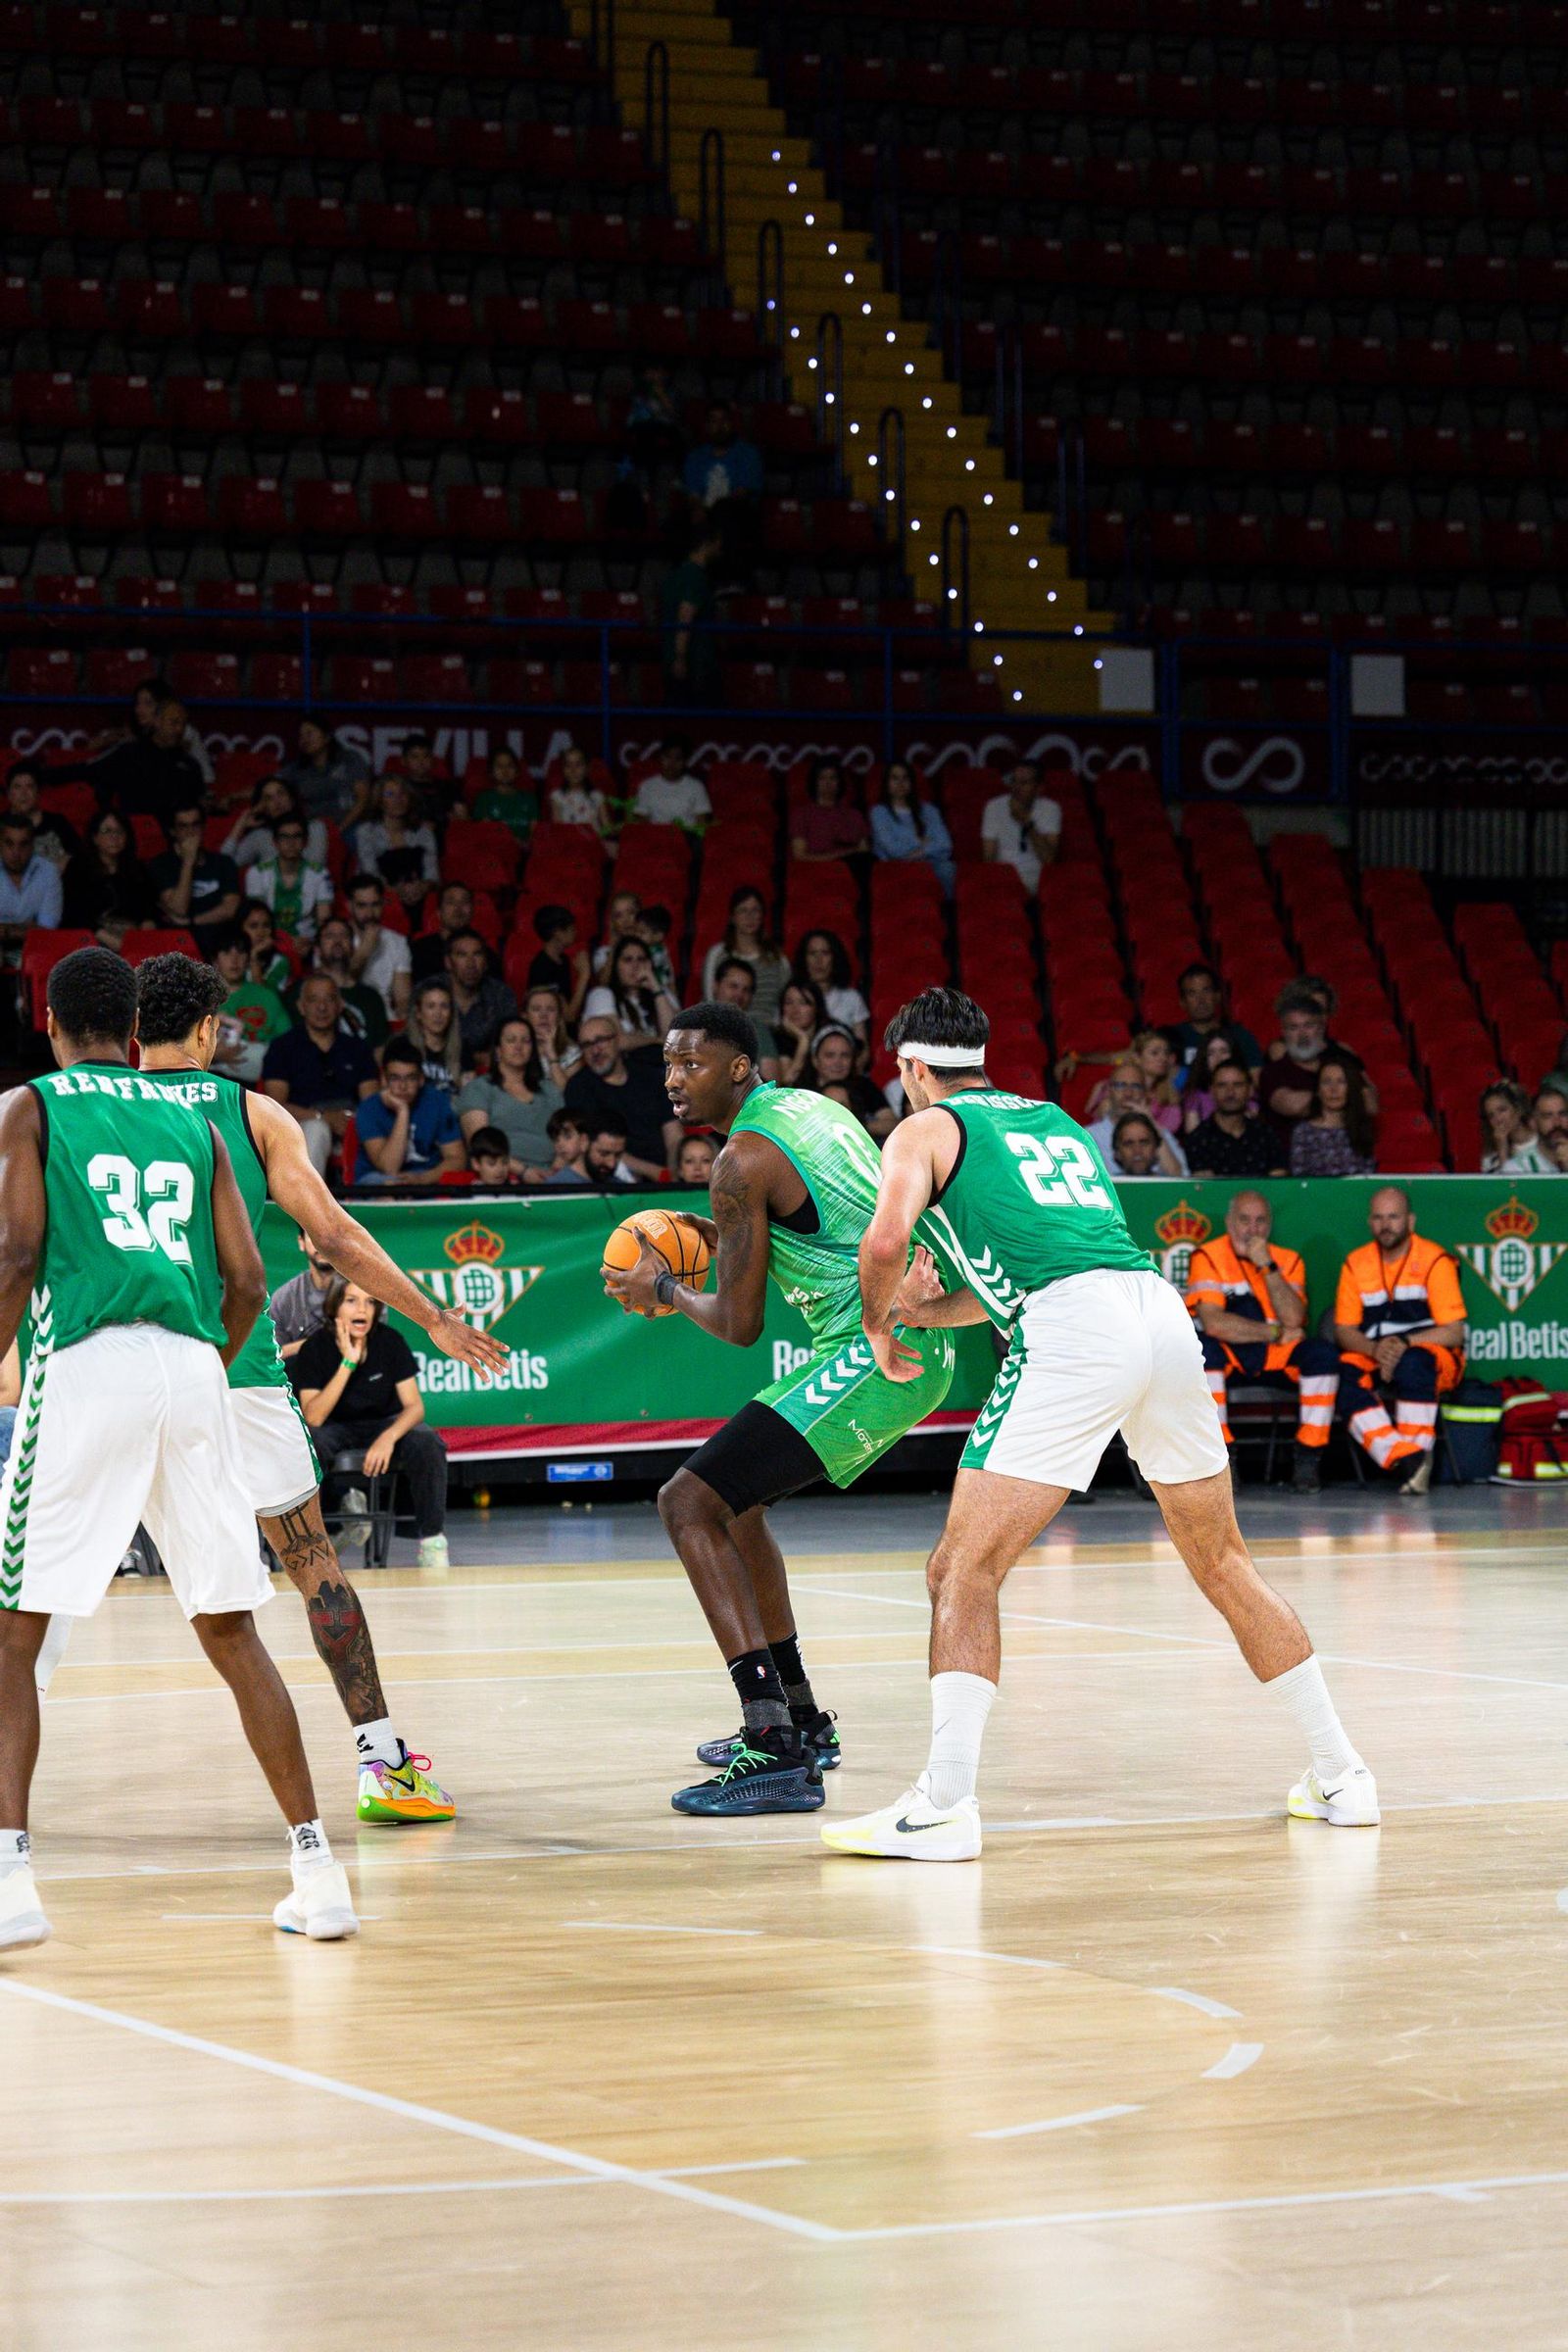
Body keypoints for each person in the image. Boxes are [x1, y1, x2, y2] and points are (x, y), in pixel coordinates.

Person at [821, 984, 1376, 1862]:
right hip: (1154, 1314)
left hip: (1073, 1331)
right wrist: (930, 1314)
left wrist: (882, 1325)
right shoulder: (1047, 1120)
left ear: (911, 1068)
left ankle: (942, 1805)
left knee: (958, 1569)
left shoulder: (922, 1128)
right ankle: (1344, 1775)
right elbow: (1046, 1272)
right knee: (1223, 1561)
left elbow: (885, 1245)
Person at [0, 945, 357, 1951]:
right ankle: (316, 1870)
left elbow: (18, 1253)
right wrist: (206, 1362)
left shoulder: (30, 1104)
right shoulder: (199, 1120)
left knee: (14, 1635)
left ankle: (9, 1881)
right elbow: (247, 1279)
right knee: (231, 1627)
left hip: (86, 1366)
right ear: (132, 1029)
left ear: (52, 1019)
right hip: (197, 1368)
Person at [136, 952, 508, 1795]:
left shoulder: (90, 1110)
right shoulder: (252, 1111)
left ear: (132, 1034)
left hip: (125, 1370)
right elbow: (335, 1238)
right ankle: (385, 1767)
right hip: (240, 1369)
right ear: (207, 1030)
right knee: (314, 1567)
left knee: (40, 1590)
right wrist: (433, 1316)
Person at [602, 1003, 956, 1816]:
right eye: (666, 1064)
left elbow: (738, 1323)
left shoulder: (740, 1160)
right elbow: (817, 1222)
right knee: (736, 1508)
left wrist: (663, 1288)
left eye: (690, 1063)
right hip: (898, 1335)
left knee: (687, 1503)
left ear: (735, 1066)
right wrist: (713, 1229)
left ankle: (772, 1749)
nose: (673, 1080)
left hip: (881, 1351)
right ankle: (799, 1717)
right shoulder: (804, 1109)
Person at [1185, 1191, 1344, 1496]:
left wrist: (1267, 1267)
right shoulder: (1208, 1256)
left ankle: (1308, 1456)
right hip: (1231, 1355)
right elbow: (1216, 1323)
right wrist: (1273, 1333)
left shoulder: (1288, 1260)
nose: (1252, 1229)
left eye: (1260, 1221)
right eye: (1244, 1220)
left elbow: (1295, 1319)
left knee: (1322, 1355)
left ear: (1269, 1226)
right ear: (1230, 1223)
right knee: (1203, 1352)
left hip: (1277, 1359)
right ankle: (1223, 1457)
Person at [293, 1282, 452, 1571]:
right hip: (334, 1426)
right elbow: (313, 1417)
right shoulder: (315, 1348)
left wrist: (388, 1438)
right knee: (308, 1442)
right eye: (352, 1301)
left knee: (427, 1443)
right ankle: (326, 1528)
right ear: (334, 1308)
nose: (362, 1309)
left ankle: (432, 1541)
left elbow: (415, 1407)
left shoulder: (390, 1341)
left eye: (369, 1302)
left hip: (383, 1424)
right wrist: (348, 1364)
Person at [1331, 1186, 1468, 1495]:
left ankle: (1416, 1461)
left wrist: (1404, 1343)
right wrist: (1377, 1350)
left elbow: (1453, 1331)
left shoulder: (1436, 1259)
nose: (1386, 1225)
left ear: (1411, 1220)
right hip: (1377, 1353)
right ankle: (1407, 1459)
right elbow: (1344, 1330)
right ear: (1370, 1223)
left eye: (1393, 1217)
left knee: (1413, 1363)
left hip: (1432, 1356)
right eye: (1379, 1218)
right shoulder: (1356, 1262)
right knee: (1339, 1374)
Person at [262, 972, 378, 1176]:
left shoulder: (358, 1048)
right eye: (313, 999)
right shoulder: (282, 1048)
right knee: (317, 1129)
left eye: (329, 999)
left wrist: (350, 1122)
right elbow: (274, 1106)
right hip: (303, 1129)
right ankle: (310, 1206)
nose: (322, 1007)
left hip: (350, 1127)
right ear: (301, 1006)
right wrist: (323, 1118)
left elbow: (372, 1102)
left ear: (340, 1005)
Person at [1258, 980, 1375, 1148]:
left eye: (1310, 1023)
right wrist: (1342, 1095)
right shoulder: (1276, 1065)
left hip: (1343, 1154)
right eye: (1294, 1027)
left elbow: (1371, 1103)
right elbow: (1291, 1104)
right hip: (1291, 1160)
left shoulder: (1341, 1055)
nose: (1302, 1034)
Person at [564, 1015, 683, 1178]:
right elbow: (597, 1147)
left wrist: (675, 1176)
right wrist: (659, 1174)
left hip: (665, 1173)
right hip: (614, 1177)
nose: (595, 1050)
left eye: (601, 1040)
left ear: (618, 1041)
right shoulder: (578, 1087)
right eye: (587, 1045)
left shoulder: (650, 1077)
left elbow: (674, 1137)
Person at [354, 1040, 465, 1188]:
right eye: (395, 1078)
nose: (403, 1086)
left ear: (421, 1080)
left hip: (426, 1179)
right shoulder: (369, 1109)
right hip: (377, 1181)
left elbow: (457, 1159)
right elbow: (389, 1168)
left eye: (410, 1078)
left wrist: (424, 1179)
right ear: (384, 1080)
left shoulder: (438, 1102)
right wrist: (403, 1111)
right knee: (391, 1188)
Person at [457, 1016, 564, 1168]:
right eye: (511, 1040)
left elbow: (569, 1135)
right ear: (498, 1050)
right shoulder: (478, 1088)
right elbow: (481, 1145)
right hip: (502, 1177)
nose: (518, 1046)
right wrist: (524, 1172)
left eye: (525, 1041)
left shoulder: (549, 1089)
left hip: (553, 1177)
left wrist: (556, 1172)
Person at [149, 803, 241, 945]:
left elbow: (230, 909)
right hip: (179, 943)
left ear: (203, 827)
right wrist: (188, 861)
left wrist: (190, 921)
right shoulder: (160, 865)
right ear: (173, 831)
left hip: (221, 942)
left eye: (195, 825)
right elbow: (179, 909)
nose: (190, 831)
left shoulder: (224, 863)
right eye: (183, 826)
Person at [209, 927, 291, 1084]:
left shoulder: (266, 997)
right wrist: (213, 1055)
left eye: (241, 953)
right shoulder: (201, 999)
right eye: (227, 953)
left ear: (248, 958)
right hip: (211, 1079)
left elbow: (287, 1043)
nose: (235, 960)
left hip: (258, 1082)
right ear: (214, 960)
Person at [1186, 1059, 1289, 1179]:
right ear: (1212, 1092)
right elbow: (1204, 1190)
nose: (1230, 1093)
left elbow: (1278, 1182)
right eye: (1222, 1085)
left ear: (1250, 1090)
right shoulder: (1198, 1139)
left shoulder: (1266, 1135)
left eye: (1238, 1085)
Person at [700, 886, 790, 1023]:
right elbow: (709, 998)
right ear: (732, 917)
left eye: (755, 910)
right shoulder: (717, 954)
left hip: (767, 1031)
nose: (750, 917)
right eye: (743, 910)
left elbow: (785, 1002)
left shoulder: (777, 958)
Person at [242, 810, 334, 943]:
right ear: (275, 842)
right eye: (284, 837)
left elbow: (323, 921)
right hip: (269, 942)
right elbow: (258, 921)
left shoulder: (320, 874)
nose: (291, 843)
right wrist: (285, 942)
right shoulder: (256, 873)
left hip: (307, 943)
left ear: (305, 841)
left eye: (297, 836)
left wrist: (311, 944)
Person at [1165, 962, 1263, 1084]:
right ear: (1182, 1002)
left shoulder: (1241, 1036)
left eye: (1206, 991)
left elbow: (1255, 1081)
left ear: (1217, 996)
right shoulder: (1171, 1039)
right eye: (1192, 993)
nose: (1201, 1000)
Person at [301, 915, 390, 1048]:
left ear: (353, 947)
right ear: (317, 949)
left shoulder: (371, 998)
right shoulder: (301, 992)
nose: (337, 940)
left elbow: (380, 1049)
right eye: (330, 936)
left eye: (344, 936)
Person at [61, 806, 155, 931]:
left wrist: (147, 925)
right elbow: (74, 914)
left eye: (120, 831)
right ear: (95, 838)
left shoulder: (138, 869)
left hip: (133, 938)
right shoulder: (78, 868)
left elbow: (149, 910)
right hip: (91, 940)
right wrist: (112, 941)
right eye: (107, 831)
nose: (114, 837)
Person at [869, 759, 955, 896]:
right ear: (887, 783)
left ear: (912, 783)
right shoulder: (879, 812)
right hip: (894, 868)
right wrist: (922, 841)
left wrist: (917, 853)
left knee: (948, 868)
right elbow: (893, 850)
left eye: (905, 778)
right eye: (895, 778)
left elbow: (946, 845)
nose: (900, 783)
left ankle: (945, 912)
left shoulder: (929, 810)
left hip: (930, 865)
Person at [1086, 1063, 1188, 1174]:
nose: (1128, 1094)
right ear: (1109, 1091)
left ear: (1146, 1094)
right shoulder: (1087, 1136)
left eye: (1136, 1086)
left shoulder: (1160, 1132)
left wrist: (1151, 1124)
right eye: (1120, 1085)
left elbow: (1182, 1176)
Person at [661, 521, 722, 703]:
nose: (720, 546)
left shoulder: (676, 575)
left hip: (677, 661)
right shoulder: (695, 577)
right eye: (718, 541)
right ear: (706, 543)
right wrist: (680, 657)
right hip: (694, 666)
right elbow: (685, 616)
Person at [981, 760, 1061, 891]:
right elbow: (988, 858)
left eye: (1024, 783)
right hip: (1004, 875)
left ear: (1039, 788)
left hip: (1037, 877)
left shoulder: (1051, 808)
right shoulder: (994, 806)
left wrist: (1027, 823)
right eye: (1014, 781)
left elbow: (1049, 859)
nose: (1016, 788)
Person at [1291, 1055, 1377, 1176]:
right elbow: (1300, 1179)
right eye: (1327, 1082)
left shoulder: (1361, 1127)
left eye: (1341, 1082)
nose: (1333, 1089)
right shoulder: (1303, 1132)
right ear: (1318, 1090)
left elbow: (1368, 1174)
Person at [345, 872, 414, 1024]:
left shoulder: (397, 942)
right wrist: (364, 952)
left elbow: (402, 998)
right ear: (349, 906)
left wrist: (404, 1017)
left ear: (383, 904)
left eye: (375, 905)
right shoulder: (334, 938)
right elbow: (340, 988)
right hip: (345, 1015)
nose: (370, 914)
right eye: (362, 906)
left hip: (384, 1018)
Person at [584, 935, 678, 1045]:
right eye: (628, 960)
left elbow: (675, 1037)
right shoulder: (601, 995)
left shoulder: (662, 993)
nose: (636, 966)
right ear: (616, 965)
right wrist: (656, 1040)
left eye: (641, 959)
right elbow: (615, 1041)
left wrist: (656, 988)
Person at [221, 774, 328, 871]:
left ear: (291, 798)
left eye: (281, 793)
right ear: (263, 808)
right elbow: (222, 867)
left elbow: (316, 867)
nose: (277, 801)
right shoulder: (259, 836)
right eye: (269, 798)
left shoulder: (315, 827)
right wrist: (240, 824)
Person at [281, 714, 371, 827]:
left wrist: (340, 830)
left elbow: (362, 798)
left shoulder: (350, 759)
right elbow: (271, 785)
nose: (304, 739)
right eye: (301, 736)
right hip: (313, 830)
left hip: (350, 827)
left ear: (327, 736)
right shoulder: (295, 769)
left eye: (309, 733)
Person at [445, 929, 517, 1064]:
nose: (471, 964)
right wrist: (475, 1058)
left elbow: (511, 1045)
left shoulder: (501, 994)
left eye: (477, 954)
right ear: (448, 962)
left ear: (485, 963)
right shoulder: (429, 992)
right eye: (462, 955)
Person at [809, 1024, 895, 1139]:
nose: (837, 1062)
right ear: (815, 1060)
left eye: (845, 1055)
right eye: (830, 1055)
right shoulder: (803, 1091)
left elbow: (891, 1123)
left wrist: (852, 1127)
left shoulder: (865, 1086)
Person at [351, 775, 438, 883]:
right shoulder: (366, 831)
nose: (398, 799)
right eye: (390, 794)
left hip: (416, 891)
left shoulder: (424, 832)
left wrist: (423, 887)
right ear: (379, 800)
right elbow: (370, 873)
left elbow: (432, 875)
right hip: (377, 893)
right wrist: (396, 891)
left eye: (403, 793)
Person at [268, 1229, 336, 1360]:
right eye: (314, 1236)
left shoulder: (365, 1294)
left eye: (330, 1236)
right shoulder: (283, 1299)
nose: (322, 1244)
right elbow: (274, 1355)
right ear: (301, 1242)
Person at [710, 956, 780, 1079]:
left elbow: (771, 1086)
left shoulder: (758, 1031)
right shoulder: (694, 1024)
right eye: (733, 986)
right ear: (716, 986)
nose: (739, 995)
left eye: (746, 990)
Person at [793, 928, 869, 1040]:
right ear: (804, 959)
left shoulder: (852, 998)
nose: (818, 960)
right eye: (812, 953)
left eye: (825, 953)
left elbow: (863, 1051)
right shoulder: (791, 999)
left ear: (835, 958)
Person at [0, 815, 64, 949]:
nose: (16, 852)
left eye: (23, 844)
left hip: (35, 948)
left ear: (32, 845)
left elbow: (47, 930)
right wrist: (28, 927)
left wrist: (5, 930)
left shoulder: (48, 871)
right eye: (9, 843)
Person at [790, 759, 868, 865]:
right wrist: (841, 855)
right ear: (814, 782)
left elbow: (863, 850)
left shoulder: (854, 815)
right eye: (822, 778)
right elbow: (799, 856)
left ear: (839, 782)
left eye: (833, 778)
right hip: (816, 870)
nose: (828, 783)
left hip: (852, 869)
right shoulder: (801, 814)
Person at [4, 763, 77, 870]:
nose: (24, 793)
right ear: (9, 794)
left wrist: (65, 861)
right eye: (17, 787)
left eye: (29, 786)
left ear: (38, 792)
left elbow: (77, 851)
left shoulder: (58, 822)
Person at [527, 905, 592, 1023]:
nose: (576, 932)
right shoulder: (542, 968)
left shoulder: (563, 959)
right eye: (572, 929)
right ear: (558, 933)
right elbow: (568, 1017)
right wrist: (584, 975)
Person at [405, 975, 465, 1095]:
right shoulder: (403, 1046)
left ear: (451, 1013)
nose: (438, 1014)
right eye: (431, 1006)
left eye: (444, 1006)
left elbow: (469, 1095)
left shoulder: (463, 1047)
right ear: (418, 1013)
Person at [412, 881, 479, 984]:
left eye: (464, 902)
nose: (458, 908)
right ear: (439, 912)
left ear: (472, 911)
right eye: (450, 902)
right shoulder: (419, 951)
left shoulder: (482, 952)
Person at [634, 739, 710, 828]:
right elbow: (641, 822)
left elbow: (702, 823)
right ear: (661, 758)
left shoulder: (696, 787)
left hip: (688, 838)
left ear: (685, 762)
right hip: (655, 838)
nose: (672, 763)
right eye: (668, 757)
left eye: (678, 759)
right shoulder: (646, 786)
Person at [471, 744, 538, 840]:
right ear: (491, 772)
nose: (505, 771)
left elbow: (535, 835)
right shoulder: (484, 799)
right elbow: (486, 834)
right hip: (495, 852)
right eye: (499, 766)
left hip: (525, 852)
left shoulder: (529, 798)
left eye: (510, 766)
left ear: (517, 771)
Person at [773, 977, 829, 1087]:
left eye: (803, 1003)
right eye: (789, 1002)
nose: (795, 1010)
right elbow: (787, 1081)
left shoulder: (829, 1035)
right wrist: (803, 1040)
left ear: (817, 1007)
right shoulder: (776, 1037)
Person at [525, 982, 581, 1090]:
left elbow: (567, 1096)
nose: (543, 1015)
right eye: (536, 1009)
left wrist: (550, 1053)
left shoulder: (572, 1054)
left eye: (550, 1009)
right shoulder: (515, 1049)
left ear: (559, 1017)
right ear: (526, 1016)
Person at [1480, 1080, 1544, 1173]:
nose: (1498, 1119)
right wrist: (1502, 1151)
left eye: (1502, 1110)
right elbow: (1504, 1186)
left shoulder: (1545, 1142)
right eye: (1491, 1115)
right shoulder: (1490, 1159)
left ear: (1518, 1109)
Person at [548, 745, 612, 835]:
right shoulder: (557, 796)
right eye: (568, 765)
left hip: (593, 845)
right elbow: (558, 830)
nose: (573, 770)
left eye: (578, 765)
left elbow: (607, 829)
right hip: (568, 845)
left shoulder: (597, 796)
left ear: (587, 768)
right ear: (563, 769)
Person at [539, 1107, 592, 1185]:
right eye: (556, 1140)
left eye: (567, 1137)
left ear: (584, 1139)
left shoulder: (603, 1178)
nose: (560, 1144)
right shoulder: (556, 1183)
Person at [1104, 1111, 1167, 1175]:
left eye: (1144, 1143)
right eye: (1129, 1144)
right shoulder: (1107, 1184)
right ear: (1117, 1153)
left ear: (1156, 1149)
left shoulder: (1170, 1184)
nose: (1137, 1151)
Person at [586, 1115, 637, 1185]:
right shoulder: (567, 1188)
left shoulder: (621, 1187)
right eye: (604, 1154)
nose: (611, 1164)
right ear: (584, 1143)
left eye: (618, 1155)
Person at [465, 1125, 516, 1190]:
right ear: (476, 1164)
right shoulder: (469, 1196)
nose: (500, 1169)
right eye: (492, 1164)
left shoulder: (517, 1191)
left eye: (504, 1162)